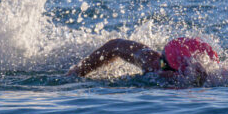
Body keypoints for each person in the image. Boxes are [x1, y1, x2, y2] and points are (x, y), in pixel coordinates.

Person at [69, 37, 218, 84]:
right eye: (161, 60)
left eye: (163, 64)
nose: (158, 66)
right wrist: (77, 71)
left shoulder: (219, 78)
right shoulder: (151, 61)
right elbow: (115, 45)